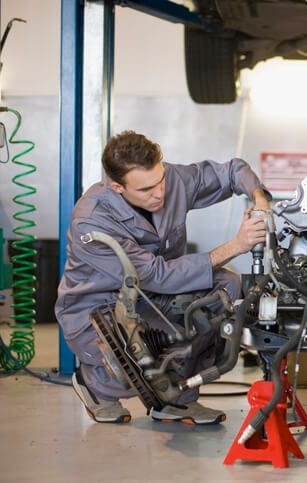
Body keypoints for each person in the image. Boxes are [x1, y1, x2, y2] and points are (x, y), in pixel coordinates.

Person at [55, 130, 270, 424]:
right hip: (101, 309)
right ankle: (96, 385)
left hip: (157, 298)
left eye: (161, 180)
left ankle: (177, 398)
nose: (160, 193)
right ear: (117, 187)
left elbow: (231, 171)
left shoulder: (169, 180)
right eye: (146, 190)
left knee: (226, 287)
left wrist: (259, 197)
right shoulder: (92, 219)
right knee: (135, 366)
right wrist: (237, 246)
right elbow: (156, 275)